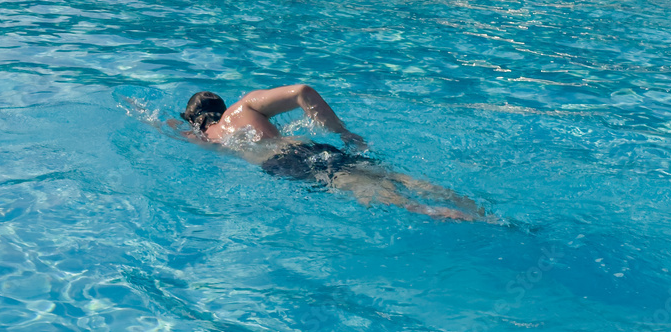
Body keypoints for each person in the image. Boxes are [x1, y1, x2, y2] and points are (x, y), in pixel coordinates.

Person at [173, 85, 487, 221]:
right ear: (223, 108)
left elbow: (171, 128)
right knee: (398, 178)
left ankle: (467, 221)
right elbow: (301, 92)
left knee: (392, 200)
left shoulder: (207, 139)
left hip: (286, 163)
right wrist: (342, 131)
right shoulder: (245, 107)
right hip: (312, 147)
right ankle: (476, 208)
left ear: (195, 122)